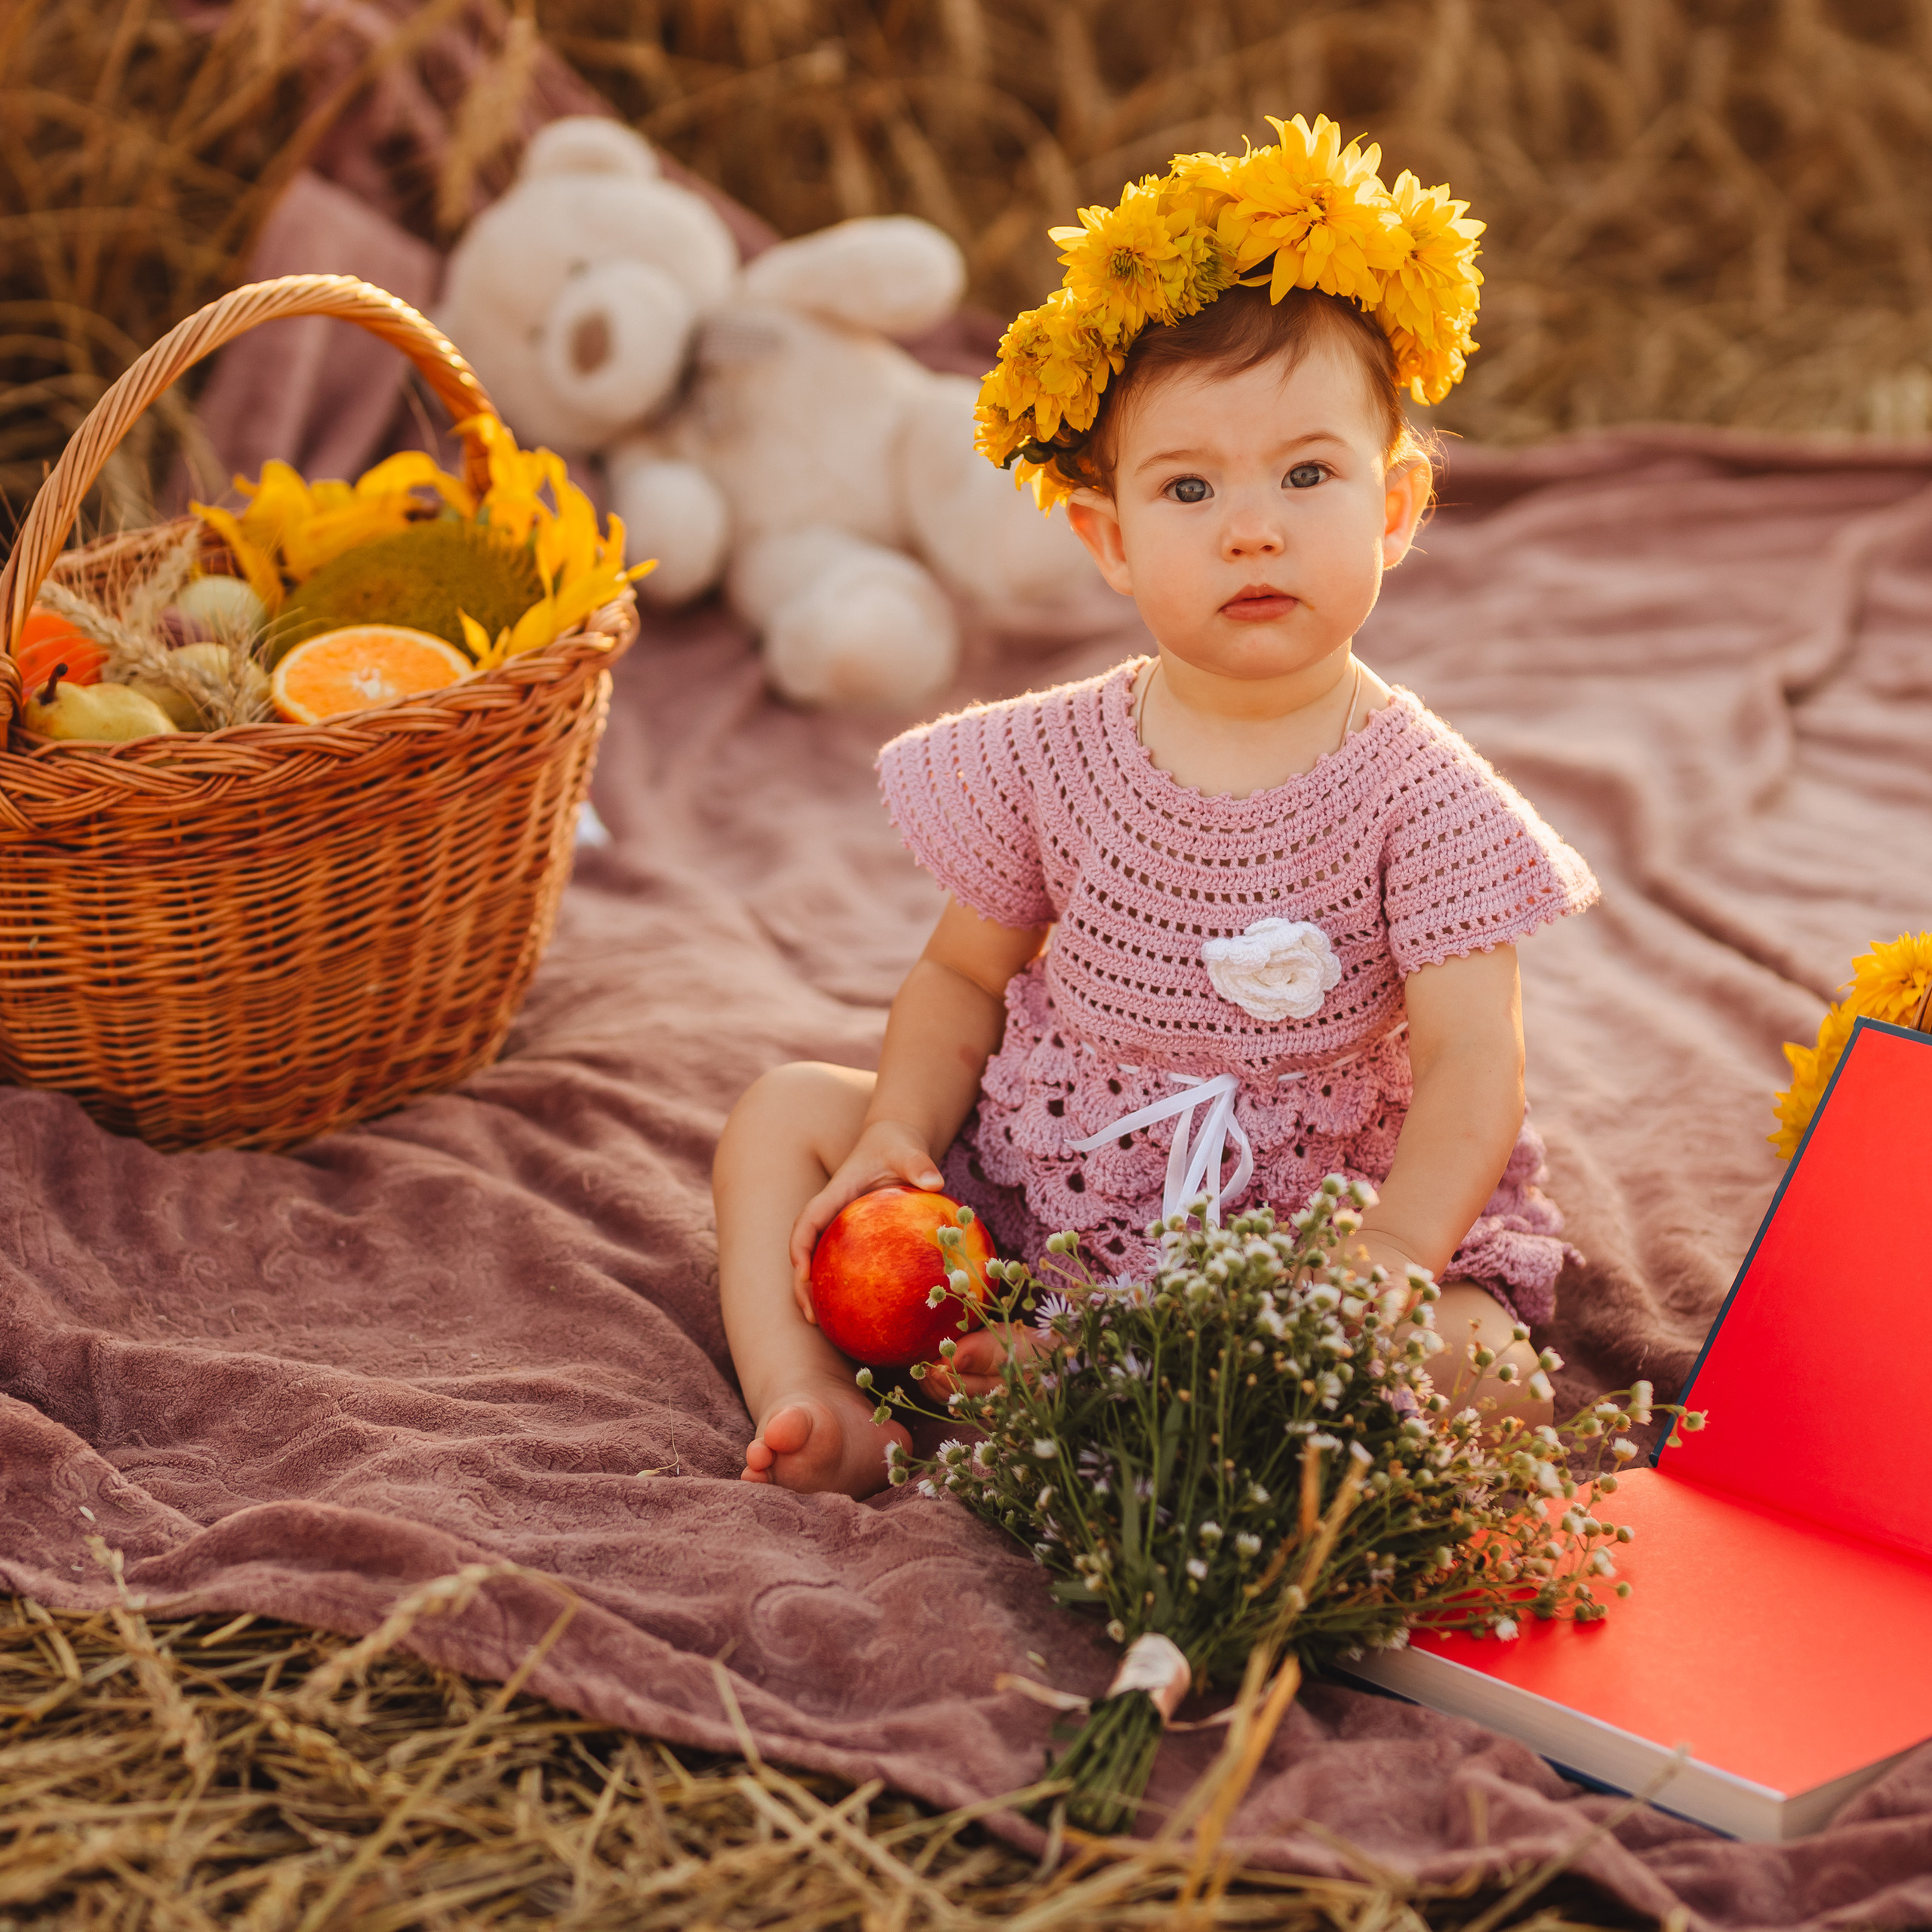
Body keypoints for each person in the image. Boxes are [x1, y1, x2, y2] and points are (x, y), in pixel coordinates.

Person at [714, 116, 1598, 1497]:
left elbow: (1479, 1063)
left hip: (1311, 1234)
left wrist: (1388, 1262)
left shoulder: (1426, 799)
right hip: (1053, 1190)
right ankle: (820, 1401)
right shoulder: (1054, 757)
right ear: (1110, 538)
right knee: (782, 1117)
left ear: (1398, 505)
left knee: (1490, 1382)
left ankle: (1124, 1387)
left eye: (1308, 475)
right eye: (1191, 487)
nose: (1253, 528)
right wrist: (898, 1121)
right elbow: (960, 974)